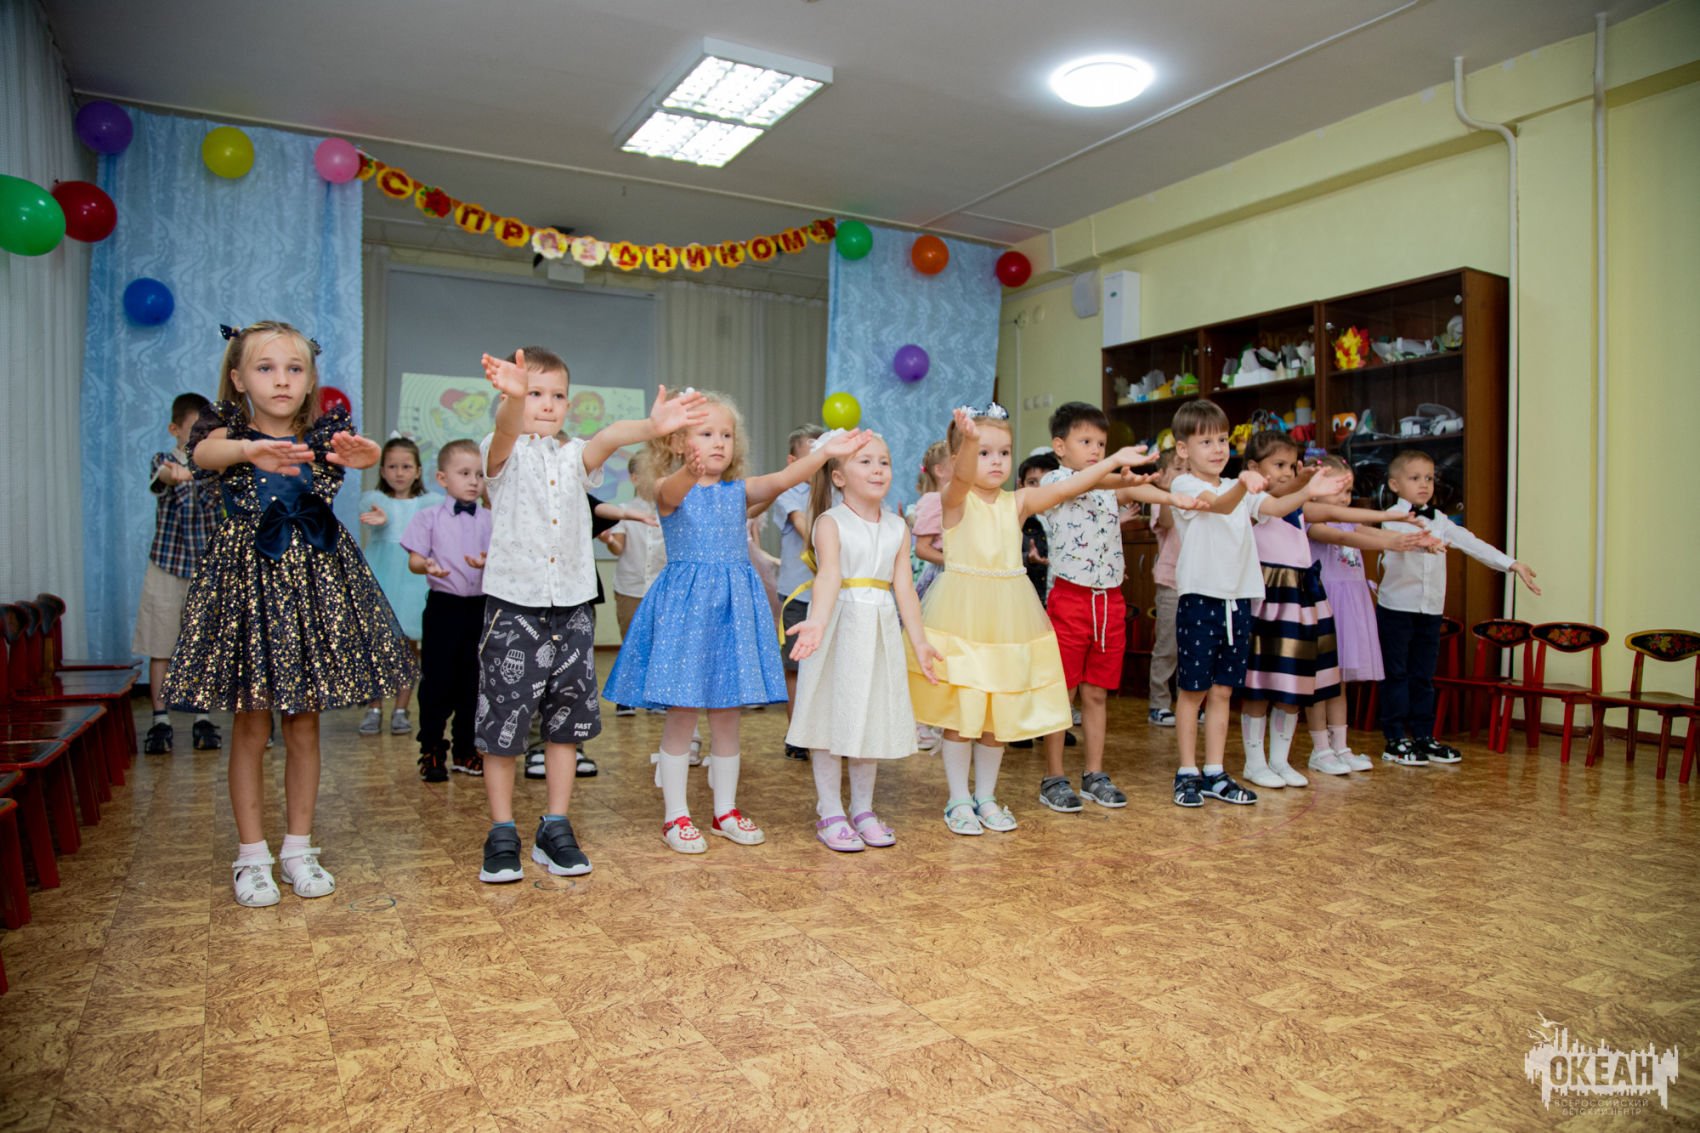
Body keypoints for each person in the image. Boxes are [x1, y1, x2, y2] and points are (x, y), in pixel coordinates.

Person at [165, 321, 416, 906]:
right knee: (251, 724)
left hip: (312, 588)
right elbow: (203, 453)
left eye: (294, 369)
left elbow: (357, 456)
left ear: (309, 380)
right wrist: (251, 449)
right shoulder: (225, 433)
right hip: (249, 591)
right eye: (266, 368)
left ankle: (299, 848)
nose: (281, 380)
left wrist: (367, 457)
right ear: (238, 378)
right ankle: (251, 855)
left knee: (304, 723)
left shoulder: (323, 435)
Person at [473, 347, 707, 882]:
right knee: (503, 725)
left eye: (557, 395)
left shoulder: (575, 456)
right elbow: (506, 429)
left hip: (573, 609)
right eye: (535, 393)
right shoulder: (500, 452)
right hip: (514, 608)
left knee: (565, 725)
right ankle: (502, 831)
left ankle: (555, 826)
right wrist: (512, 399)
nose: (546, 404)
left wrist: (651, 426)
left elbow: (609, 436)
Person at [604, 393, 871, 854]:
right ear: (677, 443)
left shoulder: (738, 492)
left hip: (730, 612)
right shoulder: (669, 489)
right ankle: (675, 816)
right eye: (706, 434)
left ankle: (724, 810)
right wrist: (690, 468)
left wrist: (826, 453)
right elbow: (672, 492)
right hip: (687, 614)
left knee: (727, 716)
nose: (718, 443)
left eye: (726, 435)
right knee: (682, 714)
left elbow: (786, 478)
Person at [906, 404, 1148, 836]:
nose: (996, 461)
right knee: (963, 714)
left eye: (1004, 452)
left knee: (997, 715)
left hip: (1009, 618)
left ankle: (986, 796)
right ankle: (958, 798)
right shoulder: (953, 501)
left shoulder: (1017, 503)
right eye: (983, 452)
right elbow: (961, 478)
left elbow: (1070, 485)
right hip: (963, 615)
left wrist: (1111, 461)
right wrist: (969, 442)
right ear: (961, 455)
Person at [1164, 399, 1340, 809]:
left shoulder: (1237, 487)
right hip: (1201, 600)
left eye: (1223, 440)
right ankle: (1187, 771)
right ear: (1183, 449)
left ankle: (1214, 771)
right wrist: (1243, 483)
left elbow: (1274, 507)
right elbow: (1220, 504)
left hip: (1238, 601)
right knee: (1193, 691)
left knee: (1223, 690)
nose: (1217, 448)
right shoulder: (1185, 486)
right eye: (1206, 441)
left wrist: (1307, 490)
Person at [1235, 432, 1431, 788]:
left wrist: (1391, 518)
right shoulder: (1256, 502)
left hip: (1300, 597)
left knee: (1292, 684)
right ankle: (1255, 762)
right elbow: (1300, 507)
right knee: (1260, 685)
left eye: (1291, 465)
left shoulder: (1299, 508)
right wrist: (1306, 486)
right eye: (1278, 465)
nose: (1286, 472)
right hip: (1270, 598)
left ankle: (1279, 760)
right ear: (1253, 467)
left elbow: (1339, 515)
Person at [1035, 403, 1202, 813]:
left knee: (1097, 693)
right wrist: (1115, 468)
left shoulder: (1107, 484)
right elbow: (1095, 482)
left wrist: (1172, 496)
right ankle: (1053, 776)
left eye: (1101, 443)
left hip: (1109, 602)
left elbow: (1133, 490)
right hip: (1069, 600)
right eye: (1086, 441)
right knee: (1062, 693)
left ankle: (1094, 773)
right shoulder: (1056, 480)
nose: (1095, 449)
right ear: (1060, 446)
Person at [786, 431, 940, 851]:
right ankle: (830, 810)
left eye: (884, 462)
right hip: (840, 625)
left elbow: (904, 588)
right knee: (831, 716)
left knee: (867, 715)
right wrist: (817, 623)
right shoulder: (830, 522)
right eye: (866, 462)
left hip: (878, 630)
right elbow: (828, 576)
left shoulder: (897, 527)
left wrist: (920, 642)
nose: (878, 470)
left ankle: (863, 809)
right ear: (838, 477)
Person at [1377, 449, 1540, 765]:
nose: (1424, 484)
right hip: (1396, 608)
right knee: (1396, 674)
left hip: (1429, 610)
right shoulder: (1389, 519)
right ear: (1395, 484)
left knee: (1423, 676)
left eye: (1429, 478)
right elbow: (1396, 540)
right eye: (1415, 478)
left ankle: (1424, 736)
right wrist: (1422, 542)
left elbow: (1471, 542)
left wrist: (1512, 564)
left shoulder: (1439, 520)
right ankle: (1394, 738)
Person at [1304, 454, 1436, 772]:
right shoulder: (1311, 521)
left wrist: (1410, 540)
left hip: (1350, 605)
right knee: (1320, 682)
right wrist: (1394, 544)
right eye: (1338, 490)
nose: (1344, 498)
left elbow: (1371, 532)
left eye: (1348, 492)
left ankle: (1340, 746)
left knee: (1339, 681)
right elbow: (1344, 537)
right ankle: (1320, 749)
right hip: (1327, 603)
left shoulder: (1348, 519)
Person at [134, 391, 222, 756]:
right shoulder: (164, 459)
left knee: (203, 645)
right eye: (195, 429)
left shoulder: (216, 467)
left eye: (207, 430)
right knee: (161, 645)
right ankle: (160, 720)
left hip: (204, 569)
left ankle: (202, 717)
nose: (202, 436)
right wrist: (178, 474)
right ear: (175, 430)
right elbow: (163, 478)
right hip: (167, 567)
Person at [400, 439, 493, 782]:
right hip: (444, 607)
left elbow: (502, 560)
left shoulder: (491, 520)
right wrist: (426, 565)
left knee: (474, 681)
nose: (473, 481)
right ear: (442, 478)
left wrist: (489, 561)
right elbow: (414, 560)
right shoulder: (428, 518)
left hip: (480, 608)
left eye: (479, 475)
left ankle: (466, 749)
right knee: (437, 682)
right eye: (464, 473)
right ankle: (432, 749)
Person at [356, 436, 435, 736]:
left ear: (418, 471)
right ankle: (374, 707)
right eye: (392, 467)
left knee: (408, 646)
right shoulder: (376, 500)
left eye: (406, 466)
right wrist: (381, 517)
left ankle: (401, 709)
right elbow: (375, 512)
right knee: (376, 645)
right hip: (382, 576)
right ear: (382, 470)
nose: (399, 473)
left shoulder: (428, 504)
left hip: (413, 580)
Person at [772, 423, 825, 759]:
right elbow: (807, 530)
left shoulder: (836, 490)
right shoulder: (789, 493)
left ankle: (823, 731)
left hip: (830, 596)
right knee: (796, 667)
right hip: (797, 593)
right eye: (811, 457)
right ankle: (797, 735)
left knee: (826, 666)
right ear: (793, 461)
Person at [601, 450, 667, 717]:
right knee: (631, 642)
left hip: (662, 587)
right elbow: (618, 548)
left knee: (660, 643)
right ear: (634, 478)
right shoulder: (624, 510)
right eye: (649, 473)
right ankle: (626, 697)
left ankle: (655, 697)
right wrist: (608, 540)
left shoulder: (670, 509)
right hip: (630, 586)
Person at [1147, 448, 1185, 727]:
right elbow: (1166, 522)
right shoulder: (1160, 500)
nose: (1185, 475)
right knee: (1167, 647)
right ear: (1161, 476)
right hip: (1171, 582)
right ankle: (1159, 704)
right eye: (1179, 469)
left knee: (1191, 649)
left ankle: (1188, 703)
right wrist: (1169, 493)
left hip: (1197, 583)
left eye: (1189, 470)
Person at [1017, 451, 1059, 602]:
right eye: (1032, 482)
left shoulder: (1070, 518)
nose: (1040, 488)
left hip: (1062, 601)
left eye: (1047, 481)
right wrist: (1027, 558)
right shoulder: (1017, 520)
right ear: (1021, 485)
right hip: (1030, 602)